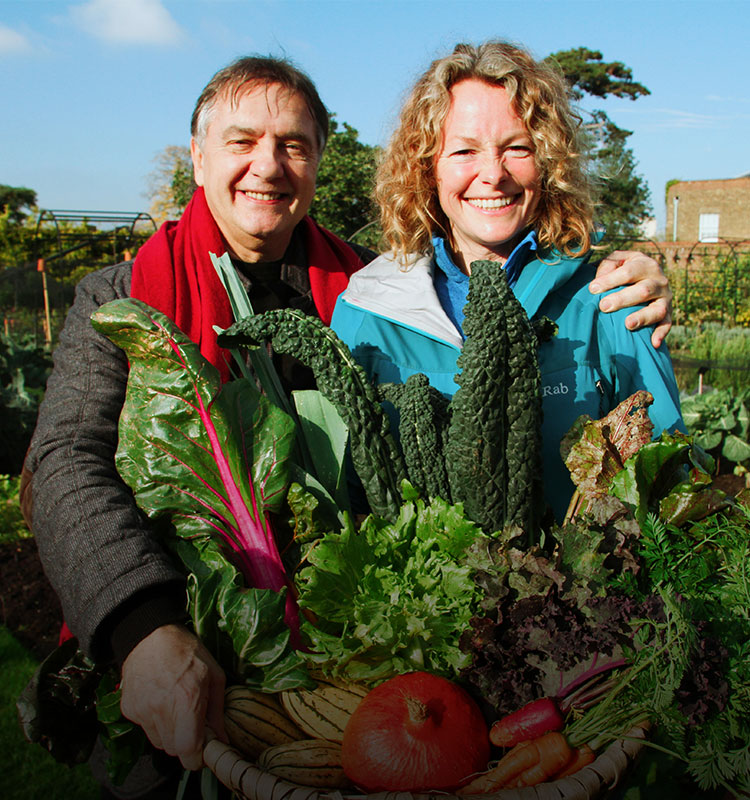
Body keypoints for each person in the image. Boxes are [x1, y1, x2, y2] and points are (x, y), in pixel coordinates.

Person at [22, 52, 672, 796]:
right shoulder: (120, 295)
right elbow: (66, 458)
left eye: (293, 145)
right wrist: (143, 626)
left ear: (318, 164)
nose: (267, 166)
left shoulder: (365, 294)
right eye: (241, 141)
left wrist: (639, 281)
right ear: (198, 156)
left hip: (329, 677)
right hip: (178, 650)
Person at [330, 41, 684, 522]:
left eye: (517, 148)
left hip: (581, 595)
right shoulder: (366, 311)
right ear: (427, 166)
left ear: (549, 161)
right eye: (464, 150)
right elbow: (349, 498)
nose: (492, 175)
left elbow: (670, 484)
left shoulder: (614, 296)